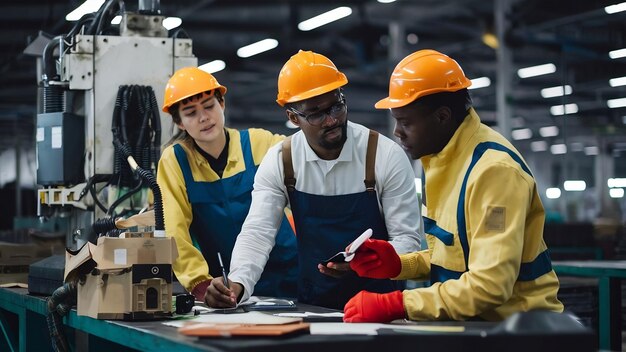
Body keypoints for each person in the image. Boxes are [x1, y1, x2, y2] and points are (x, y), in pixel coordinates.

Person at [344, 49, 564, 322]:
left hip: (521, 330)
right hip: (475, 324)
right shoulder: (444, 163)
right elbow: (455, 257)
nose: (397, 132)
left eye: (405, 122)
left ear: (442, 116)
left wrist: (400, 303)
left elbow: (489, 286)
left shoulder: (494, 172)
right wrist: (400, 264)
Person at [204, 50, 422, 310]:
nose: (332, 120)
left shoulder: (384, 156)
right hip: (315, 307)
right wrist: (237, 284)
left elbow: (407, 240)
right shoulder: (282, 161)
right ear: (293, 117)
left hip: (379, 304)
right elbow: (258, 234)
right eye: (316, 114)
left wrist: (369, 262)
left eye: (336, 106)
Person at [157, 67, 298, 303]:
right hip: (229, 286)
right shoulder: (175, 162)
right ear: (179, 123)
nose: (204, 117)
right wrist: (200, 284)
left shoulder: (258, 143)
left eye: (209, 106)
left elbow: (305, 162)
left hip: (290, 273)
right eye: (191, 113)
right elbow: (174, 232)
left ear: (221, 103)